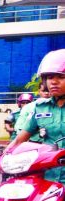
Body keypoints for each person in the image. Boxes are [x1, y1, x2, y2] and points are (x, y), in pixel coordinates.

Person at [8, 49, 65, 183]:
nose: (54, 82)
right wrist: (4, 157)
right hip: (47, 178)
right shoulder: (39, 108)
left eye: (61, 77)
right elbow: (19, 140)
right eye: (50, 77)